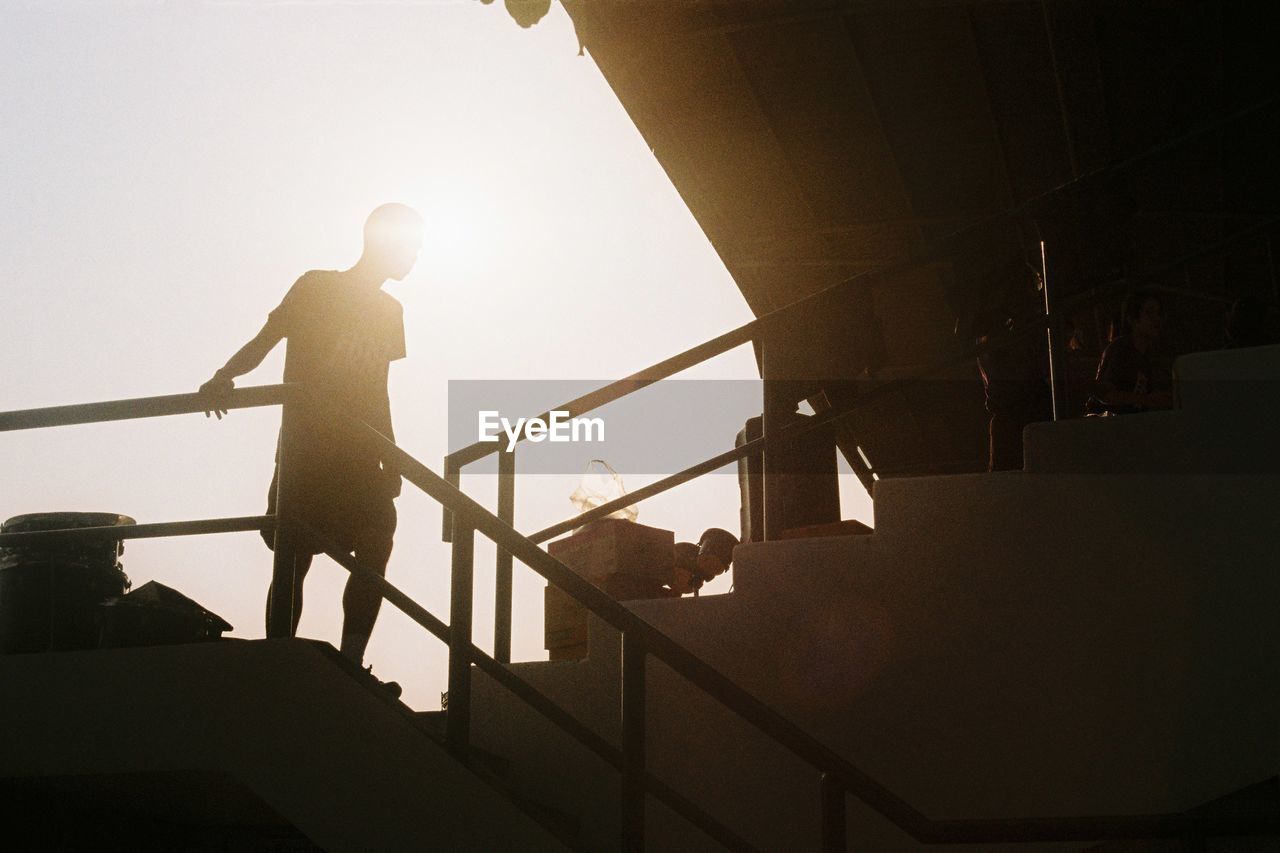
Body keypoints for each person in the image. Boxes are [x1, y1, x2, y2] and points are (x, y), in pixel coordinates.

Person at [197, 203, 423, 685]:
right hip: (307, 452)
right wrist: (224, 376)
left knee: (378, 538)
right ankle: (278, 656)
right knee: (293, 555)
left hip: (361, 455)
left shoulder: (390, 311)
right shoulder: (317, 287)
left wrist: (391, 456)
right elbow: (266, 339)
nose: (416, 256)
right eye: (411, 246)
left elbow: (378, 389)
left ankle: (350, 660)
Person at [1088, 289, 1172, 415]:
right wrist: (1148, 400)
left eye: (1158, 313)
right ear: (1133, 320)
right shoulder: (1120, 350)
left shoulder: (1148, 356)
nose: (1156, 319)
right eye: (1149, 313)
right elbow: (1105, 394)